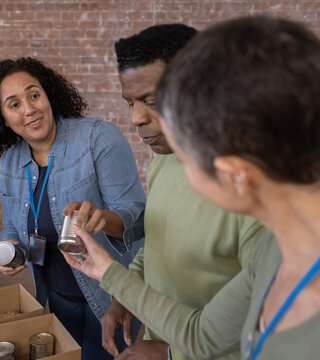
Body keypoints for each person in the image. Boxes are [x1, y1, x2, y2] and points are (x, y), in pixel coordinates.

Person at [63, 16, 320, 360]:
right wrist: (108, 273)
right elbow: (204, 336)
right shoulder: (282, 243)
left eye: (188, 151)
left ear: (234, 173)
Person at [97, 24, 267, 360]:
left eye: (152, 101)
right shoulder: (166, 158)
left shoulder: (256, 195)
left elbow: (264, 327)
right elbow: (158, 245)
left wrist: (172, 353)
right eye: (130, 102)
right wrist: (127, 295)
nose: (136, 118)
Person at [0, 57, 145, 359]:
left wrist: (103, 218)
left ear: (48, 95)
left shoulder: (97, 138)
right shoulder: (11, 160)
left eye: (34, 95)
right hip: (56, 295)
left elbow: (138, 217)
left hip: (111, 295)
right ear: (2, 118)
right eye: (14, 104)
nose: (29, 108)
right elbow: (13, 224)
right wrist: (10, 245)